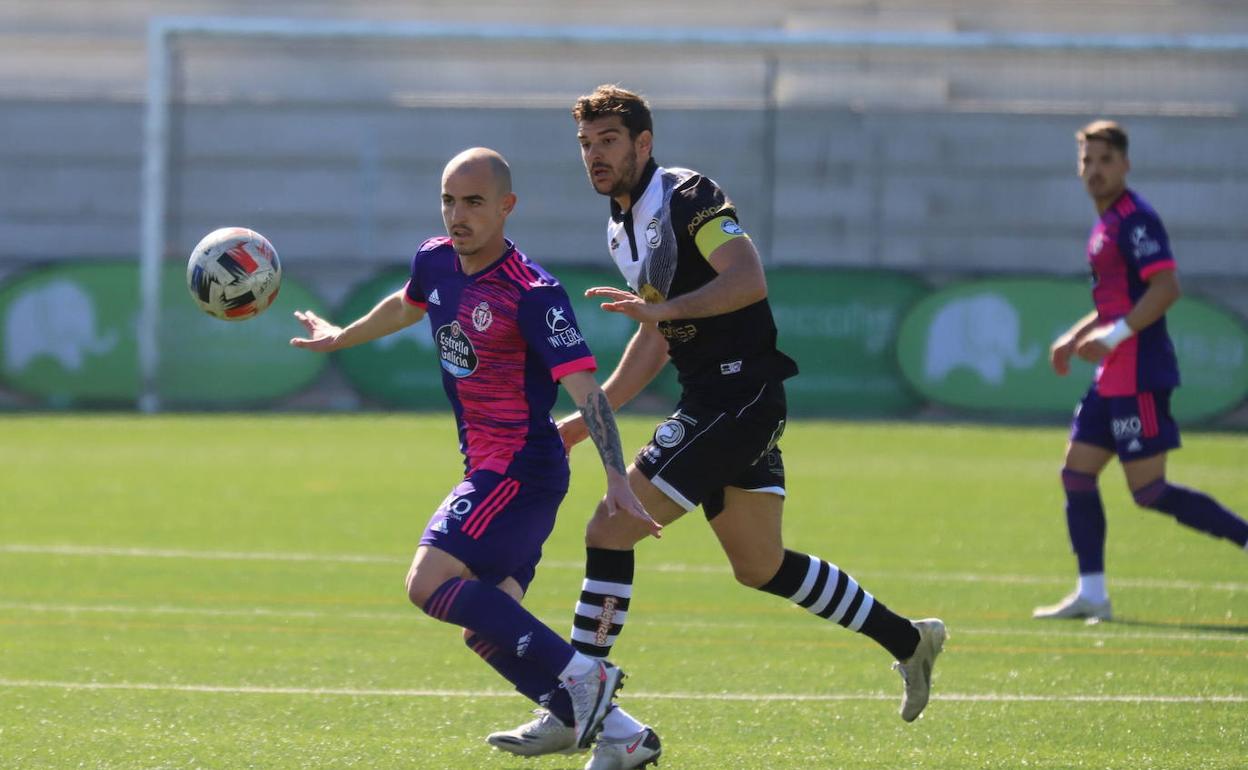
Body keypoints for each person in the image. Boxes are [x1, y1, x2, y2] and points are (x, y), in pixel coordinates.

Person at [488, 84, 946, 766]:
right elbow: (655, 336)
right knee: (760, 565)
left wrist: (660, 313)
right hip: (716, 398)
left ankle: (574, 704)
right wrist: (587, 419)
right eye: (586, 144)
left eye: (609, 140)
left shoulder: (688, 196)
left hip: (739, 396)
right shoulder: (620, 227)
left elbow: (747, 277)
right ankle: (910, 639)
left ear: (643, 143)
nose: (595, 155)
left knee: (609, 527)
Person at [289, 147, 663, 757]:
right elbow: (406, 303)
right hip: (494, 468)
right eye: (448, 201)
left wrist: (616, 476)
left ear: (506, 206)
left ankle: (582, 677)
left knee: (426, 582)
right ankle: (624, 737)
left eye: (473, 202)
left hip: (520, 469)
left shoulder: (533, 293)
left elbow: (586, 391)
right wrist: (342, 336)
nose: (457, 215)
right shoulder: (435, 260)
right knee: (486, 626)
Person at [1033, 120, 1248, 621]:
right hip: (1111, 376)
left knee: (1149, 491)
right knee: (1076, 475)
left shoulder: (1136, 221)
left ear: (1125, 165)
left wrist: (1112, 338)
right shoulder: (1105, 225)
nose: (1095, 170)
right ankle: (1092, 593)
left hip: (1139, 375)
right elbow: (1114, 303)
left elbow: (1166, 288)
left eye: (1105, 160)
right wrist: (1074, 337)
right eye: (1087, 160)